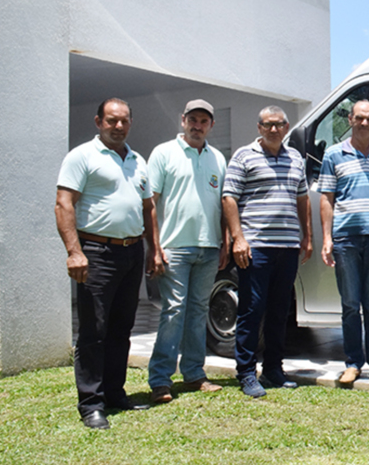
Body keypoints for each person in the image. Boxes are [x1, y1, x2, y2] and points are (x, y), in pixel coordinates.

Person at [55, 98, 156, 429]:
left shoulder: (138, 160)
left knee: (120, 328)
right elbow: (64, 203)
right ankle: (91, 403)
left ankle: (115, 393)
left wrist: (153, 249)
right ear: (98, 121)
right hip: (96, 252)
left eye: (124, 121)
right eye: (112, 120)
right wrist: (74, 251)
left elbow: (147, 207)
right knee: (94, 331)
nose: (118, 126)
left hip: (130, 252)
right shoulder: (82, 156)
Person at [222, 106, 312, 398]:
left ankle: (274, 368)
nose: (274, 130)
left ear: (286, 128)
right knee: (251, 309)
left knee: (279, 311)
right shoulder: (243, 156)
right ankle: (247, 372)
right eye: (268, 125)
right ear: (259, 127)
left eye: (279, 125)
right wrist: (238, 238)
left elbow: (302, 198)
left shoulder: (295, 158)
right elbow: (229, 198)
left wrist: (307, 235)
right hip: (255, 247)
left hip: (286, 247)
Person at [144, 100, 228, 405]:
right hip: (174, 248)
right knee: (174, 312)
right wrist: (154, 247)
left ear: (211, 125)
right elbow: (150, 204)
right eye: (192, 119)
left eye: (204, 121)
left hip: (208, 248)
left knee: (198, 313)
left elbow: (223, 205)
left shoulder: (218, 158)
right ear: (183, 120)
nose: (197, 125)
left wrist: (224, 243)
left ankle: (194, 374)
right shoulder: (164, 153)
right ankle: (160, 380)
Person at [318, 100, 369, 385]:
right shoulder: (333, 155)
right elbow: (326, 198)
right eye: (359, 118)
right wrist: (327, 238)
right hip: (345, 238)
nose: (365, 123)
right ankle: (353, 363)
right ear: (350, 120)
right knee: (350, 304)